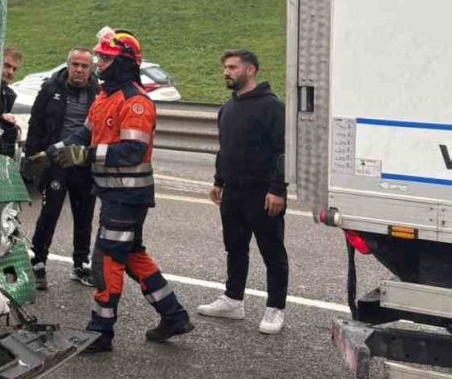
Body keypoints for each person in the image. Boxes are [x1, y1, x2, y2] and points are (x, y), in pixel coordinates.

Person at [44, 27, 192, 353]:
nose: (99, 63)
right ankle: (174, 315)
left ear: (124, 63)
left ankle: (100, 331)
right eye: (100, 56)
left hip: (128, 195)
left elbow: (131, 152)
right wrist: (50, 153)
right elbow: (84, 135)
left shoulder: (136, 103)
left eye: (106, 58)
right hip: (113, 194)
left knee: (107, 259)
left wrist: (83, 156)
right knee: (131, 255)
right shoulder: (104, 96)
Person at [197, 50, 289, 335]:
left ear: (251, 70)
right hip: (232, 193)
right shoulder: (228, 107)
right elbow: (226, 148)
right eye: (225, 67)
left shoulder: (272, 107)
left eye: (232, 67)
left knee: (272, 252)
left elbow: (283, 151)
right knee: (235, 248)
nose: (226, 72)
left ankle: (275, 308)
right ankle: (233, 300)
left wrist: (277, 189)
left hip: (262, 194)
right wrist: (218, 181)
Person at [26, 47, 98, 290]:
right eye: (75, 64)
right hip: (56, 162)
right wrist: (32, 158)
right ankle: (38, 262)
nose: (79, 70)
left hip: (83, 163)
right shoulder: (50, 89)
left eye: (84, 66)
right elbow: (36, 123)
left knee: (84, 214)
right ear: (68, 65)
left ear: (91, 69)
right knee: (50, 213)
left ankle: (80, 264)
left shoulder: (99, 93)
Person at [0, 47, 23, 158]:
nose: (10, 72)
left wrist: (15, 129)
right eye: (7, 66)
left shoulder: (8, 94)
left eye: (14, 69)